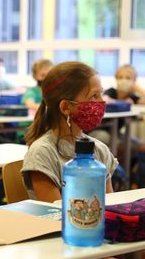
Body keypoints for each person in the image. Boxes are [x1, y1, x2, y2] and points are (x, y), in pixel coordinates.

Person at [21, 61, 117, 203]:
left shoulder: (99, 149)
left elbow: (109, 206)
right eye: (94, 96)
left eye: (100, 94)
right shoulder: (43, 153)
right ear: (66, 107)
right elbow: (55, 214)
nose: (101, 103)